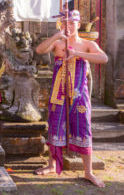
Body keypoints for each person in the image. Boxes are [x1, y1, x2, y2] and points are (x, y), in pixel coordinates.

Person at [34, 10, 108, 188]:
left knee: (83, 126)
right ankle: (52, 164)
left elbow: (103, 58)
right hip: (58, 92)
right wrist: (56, 35)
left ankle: (88, 172)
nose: (68, 27)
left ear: (78, 24)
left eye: (71, 23)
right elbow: (39, 50)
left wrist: (77, 54)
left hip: (79, 93)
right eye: (64, 23)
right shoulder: (59, 43)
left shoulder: (87, 44)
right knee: (55, 124)